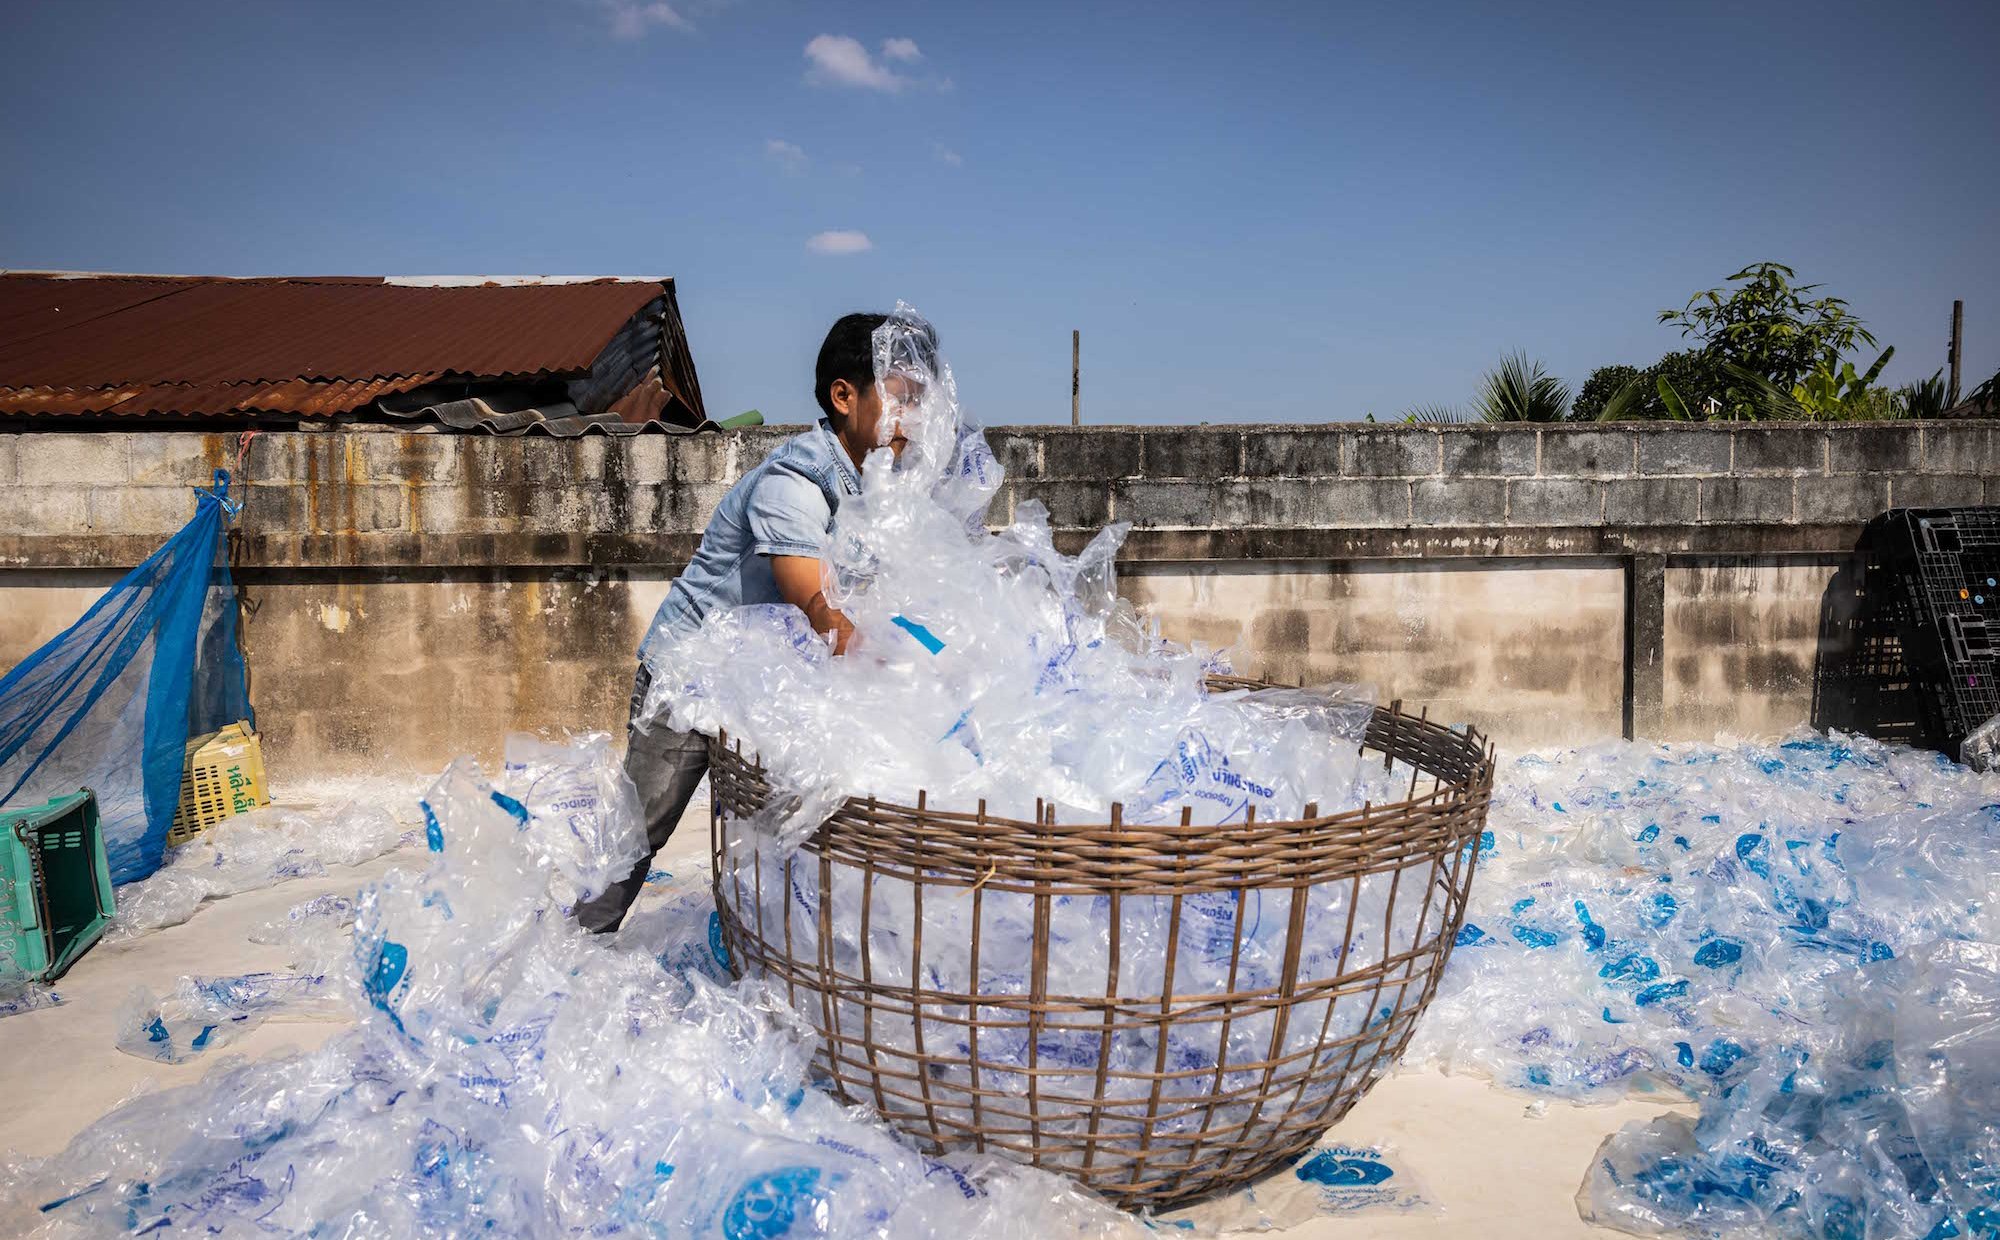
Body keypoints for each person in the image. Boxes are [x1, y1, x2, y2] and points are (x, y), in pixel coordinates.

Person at [574, 312, 933, 933]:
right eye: (900, 400)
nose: (915, 421)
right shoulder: (795, 481)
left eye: (922, 403)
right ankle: (574, 944)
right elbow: (815, 604)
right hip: (692, 676)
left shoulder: (877, 494)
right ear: (843, 397)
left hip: (762, 683)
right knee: (640, 834)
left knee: (784, 831)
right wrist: (892, 667)